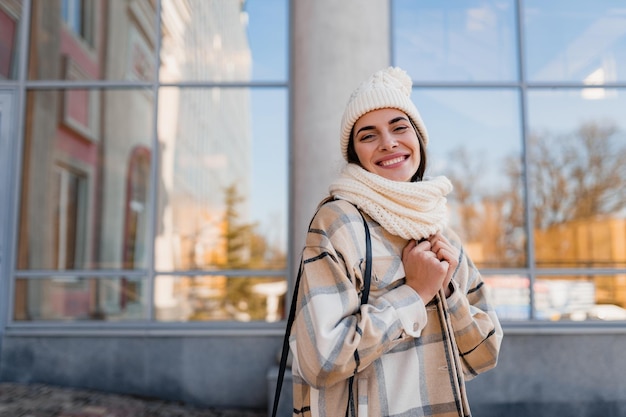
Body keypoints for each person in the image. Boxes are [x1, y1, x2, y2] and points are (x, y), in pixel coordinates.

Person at [288, 67, 503, 417]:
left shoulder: (440, 232)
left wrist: (445, 292)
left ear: (419, 139)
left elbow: (484, 354)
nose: (388, 142)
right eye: (368, 135)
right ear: (355, 155)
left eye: (400, 127)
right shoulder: (339, 222)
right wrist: (415, 293)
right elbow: (321, 361)